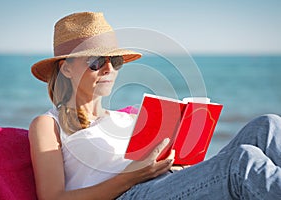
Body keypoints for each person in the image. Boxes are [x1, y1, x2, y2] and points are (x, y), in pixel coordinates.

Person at [29, 12, 281, 200]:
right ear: (66, 68)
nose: (108, 69)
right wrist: (131, 177)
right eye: (95, 61)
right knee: (242, 162)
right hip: (127, 194)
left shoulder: (125, 118)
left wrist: (179, 159)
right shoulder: (48, 123)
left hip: (167, 182)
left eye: (114, 60)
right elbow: (53, 198)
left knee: (268, 125)